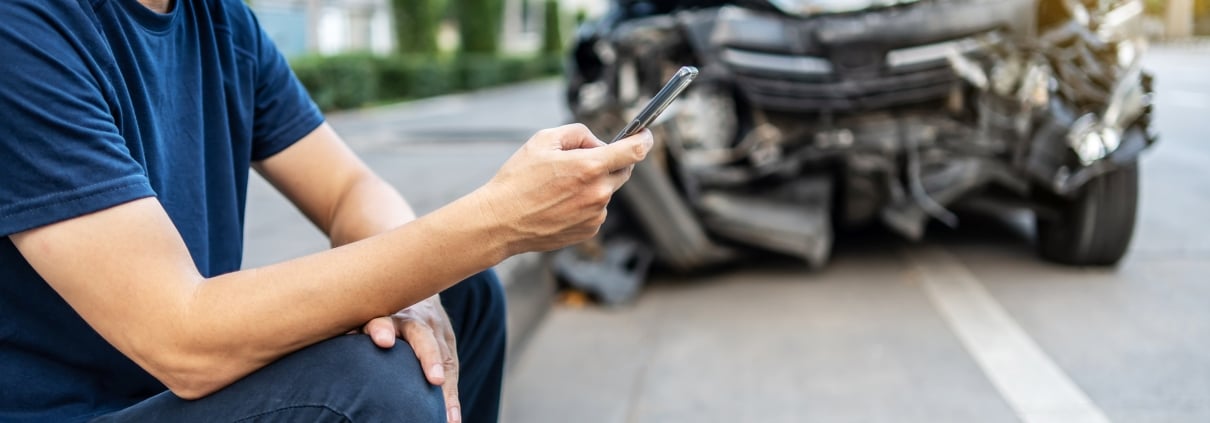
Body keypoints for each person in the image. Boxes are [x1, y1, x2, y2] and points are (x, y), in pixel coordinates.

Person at [0, 0, 653, 422]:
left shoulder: (220, 22)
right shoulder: (23, 30)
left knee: (462, 295)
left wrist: (416, 291)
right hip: (89, 406)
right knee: (375, 385)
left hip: (170, 388)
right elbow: (182, 335)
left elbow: (348, 191)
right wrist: (497, 223)